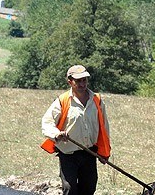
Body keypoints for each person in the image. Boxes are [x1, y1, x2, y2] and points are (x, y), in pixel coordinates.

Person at [41, 65, 111, 195]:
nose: (82, 83)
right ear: (70, 82)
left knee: (89, 188)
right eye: (78, 81)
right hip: (68, 154)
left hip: (90, 152)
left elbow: (104, 128)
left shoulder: (97, 100)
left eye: (84, 80)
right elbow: (47, 122)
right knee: (70, 189)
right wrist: (57, 134)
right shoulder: (62, 101)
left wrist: (104, 152)